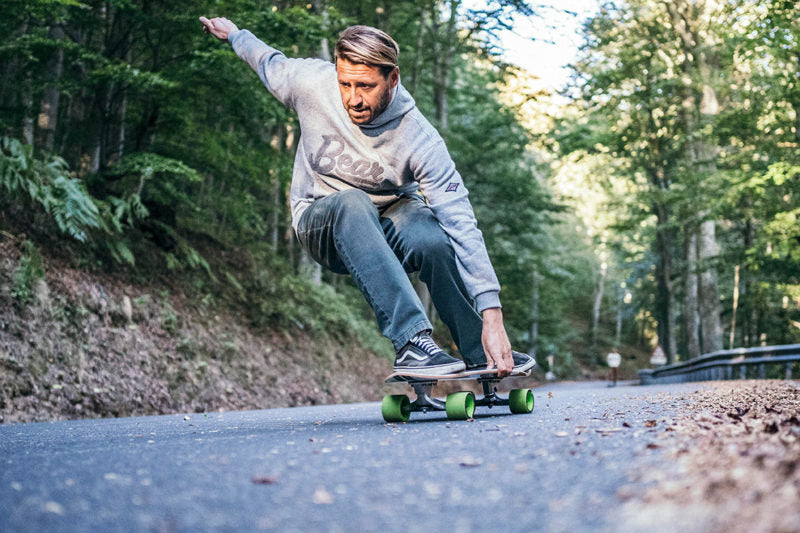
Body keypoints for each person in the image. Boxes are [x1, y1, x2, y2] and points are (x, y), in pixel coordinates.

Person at [198, 16, 536, 377]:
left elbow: (461, 221)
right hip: (321, 222)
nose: (353, 99)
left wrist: (492, 313)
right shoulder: (310, 82)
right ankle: (412, 342)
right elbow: (267, 60)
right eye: (345, 84)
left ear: (393, 78)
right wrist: (235, 34)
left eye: (366, 86)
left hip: (388, 222)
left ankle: (478, 347)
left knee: (433, 236)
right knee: (352, 201)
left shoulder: (419, 138)